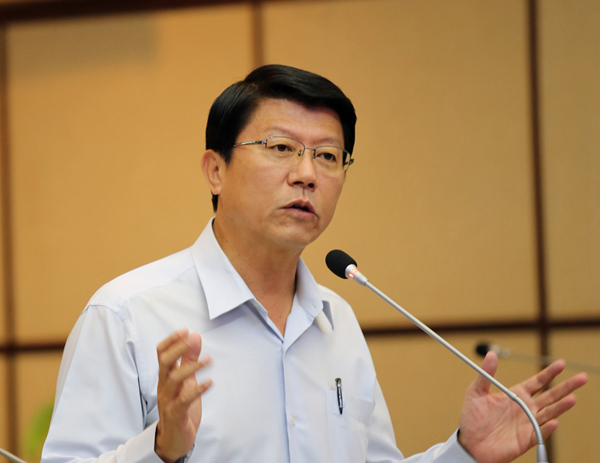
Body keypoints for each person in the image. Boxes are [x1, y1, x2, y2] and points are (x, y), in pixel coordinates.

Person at [41, 65, 587, 463]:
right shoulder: (126, 314)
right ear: (215, 170)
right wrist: (160, 450)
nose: (307, 174)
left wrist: (464, 453)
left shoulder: (336, 321)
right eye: (280, 148)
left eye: (327, 156)